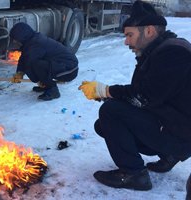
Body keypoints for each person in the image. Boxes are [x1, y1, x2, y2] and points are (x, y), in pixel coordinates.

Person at [78, 0, 191, 190]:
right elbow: (143, 94)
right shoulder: (156, 51)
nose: (126, 41)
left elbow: (144, 97)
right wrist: (107, 94)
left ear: (149, 31)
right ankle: (169, 155)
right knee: (104, 124)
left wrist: (106, 91)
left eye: (130, 35)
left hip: (182, 133)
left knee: (110, 112)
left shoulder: (173, 53)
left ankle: (133, 174)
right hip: (175, 125)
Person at [9, 22, 78, 101]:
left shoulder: (35, 43)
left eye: (16, 39)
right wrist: (19, 72)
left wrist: (37, 80)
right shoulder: (32, 40)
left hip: (69, 70)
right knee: (38, 64)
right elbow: (24, 57)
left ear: (22, 36)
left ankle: (52, 90)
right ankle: (46, 85)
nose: (15, 42)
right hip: (66, 66)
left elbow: (28, 63)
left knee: (37, 65)